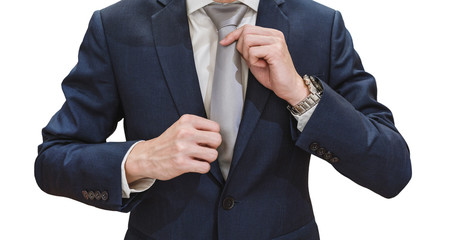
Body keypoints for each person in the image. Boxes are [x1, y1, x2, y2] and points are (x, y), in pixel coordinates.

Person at [35, 0, 412, 239]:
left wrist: (301, 94)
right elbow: (52, 160)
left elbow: (392, 169)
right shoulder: (116, 26)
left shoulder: (320, 27)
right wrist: (141, 159)